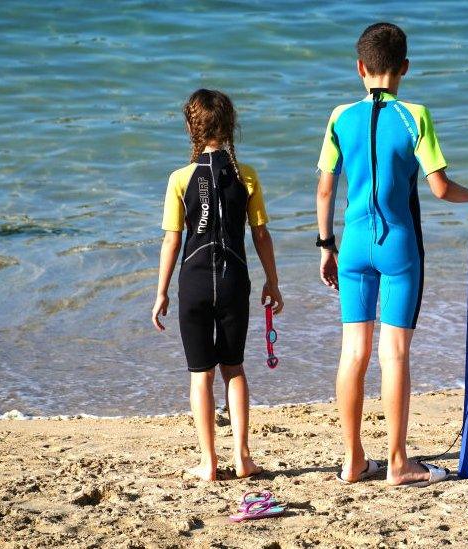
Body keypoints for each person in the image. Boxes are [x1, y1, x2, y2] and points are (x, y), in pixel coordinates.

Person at [315, 22, 468, 487]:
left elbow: (325, 189)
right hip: (398, 246)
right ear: (405, 69)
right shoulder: (414, 115)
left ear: (360, 67)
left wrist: (326, 246)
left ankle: (353, 459)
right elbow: (438, 188)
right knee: (393, 353)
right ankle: (397, 462)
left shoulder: (339, 116)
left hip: (352, 245)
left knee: (353, 352)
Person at [152, 89, 284, 481]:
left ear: (191, 127)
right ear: (230, 127)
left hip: (193, 284)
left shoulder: (180, 178)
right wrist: (272, 281)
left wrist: (161, 292)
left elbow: (172, 240)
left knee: (200, 375)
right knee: (234, 370)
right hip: (233, 281)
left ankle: (209, 462)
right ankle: (242, 458)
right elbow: (261, 234)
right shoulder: (246, 176)